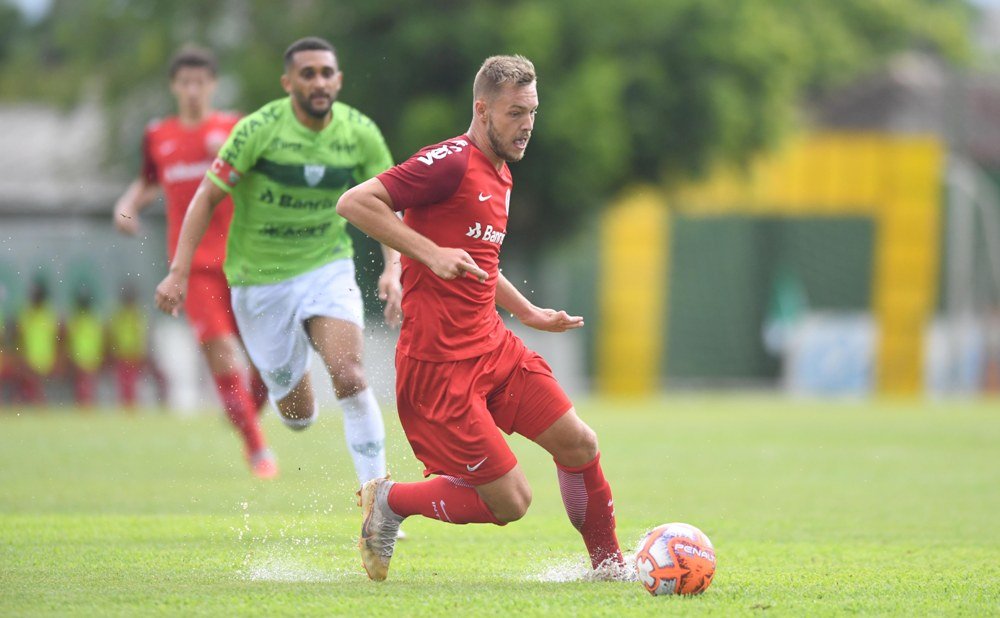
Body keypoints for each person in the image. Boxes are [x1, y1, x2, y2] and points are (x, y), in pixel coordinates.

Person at [337, 55, 625, 581]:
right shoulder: (449, 161)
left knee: (580, 443)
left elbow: (480, 263)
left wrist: (528, 311)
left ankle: (609, 570)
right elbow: (356, 203)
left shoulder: (502, 175)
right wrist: (428, 253)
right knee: (511, 501)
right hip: (440, 365)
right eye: (515, 113)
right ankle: (390, 500)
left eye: (533, 112)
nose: (528, 125)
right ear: (482, 109)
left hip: (492, 347)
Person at [154, 37, 402, 492]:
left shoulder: (360, 132)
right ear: (288, 83)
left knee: (349, 374)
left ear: (339, 80)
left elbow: (390, 203)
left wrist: (393, 267)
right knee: (299, 416)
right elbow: (206, 196)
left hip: (327, 267)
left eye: (327, 73)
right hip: (260, 283)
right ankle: (294, 354)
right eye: (307, 74)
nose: (319, 81)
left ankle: (377, 498)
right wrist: (178, 270)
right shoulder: (256, 130)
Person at [113, 46, 275, 478]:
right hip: (194, 266)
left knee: (265, 358)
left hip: (244, 261)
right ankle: (257, 450)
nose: (191, 91)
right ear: (174, 86)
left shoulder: (233, 127)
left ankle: (248, 410)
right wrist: (125, 209)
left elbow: (262, 176)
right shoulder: (158, 135)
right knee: (220, 351)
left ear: (212, 85)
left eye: (199, 82)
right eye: (184, 83)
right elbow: (148, 184)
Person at [107, 283, 167, 410]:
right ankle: (128, 409)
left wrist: (143, 352)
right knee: (126, 386)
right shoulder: (121, 315)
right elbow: (114, 335)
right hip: (124, 355)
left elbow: (143, 335)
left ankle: (132, 408)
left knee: (130, 385)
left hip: (134, 355)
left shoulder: (135, 314)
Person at [14, 278, 60, 405]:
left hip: (46, 362)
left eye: (37, 295)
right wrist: (21, 358)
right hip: (29, 362)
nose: (35, 299)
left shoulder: (49, 313)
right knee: (28, 397)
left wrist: (56, 360)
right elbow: (19, 337)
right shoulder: (25, 313)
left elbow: (58, 338)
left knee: (43, 398)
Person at [63, 288, 104, 407]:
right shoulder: (75, 318)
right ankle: (84, 411)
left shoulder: (94, 318)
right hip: (80, 361)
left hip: (90, 361)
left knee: (87, 391)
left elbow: (101, 339)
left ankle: (87, 411)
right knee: (82, 391)